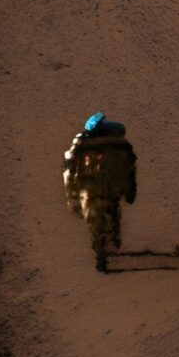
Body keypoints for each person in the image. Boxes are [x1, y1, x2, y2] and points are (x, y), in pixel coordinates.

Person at [62, 111, 139, 269]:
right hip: (111, 188)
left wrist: (73, 196)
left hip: (89, 190)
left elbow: (71, 171)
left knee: (96, 221)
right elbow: (129, 169)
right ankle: (108, 248)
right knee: (111, 214)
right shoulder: (120, 146)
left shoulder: (82, 145)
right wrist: (130, 191)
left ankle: (101, 254)